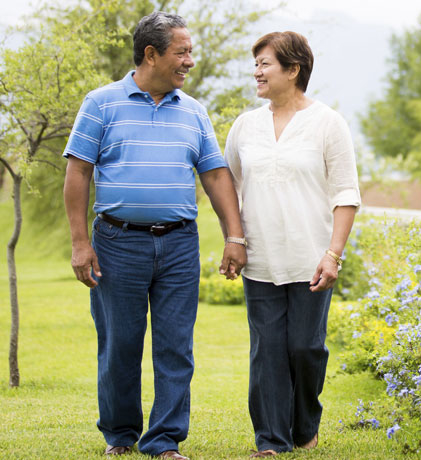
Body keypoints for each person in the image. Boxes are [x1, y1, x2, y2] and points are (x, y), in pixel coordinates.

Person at [63, 12, 247, 459]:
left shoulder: (194, 111)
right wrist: (79, 243)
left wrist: (235, 236)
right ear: (151, 54)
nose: (189, 61)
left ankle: (164, 441)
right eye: (181, 52)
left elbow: (216, 176)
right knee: (120, 345)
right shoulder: (101, 102)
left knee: (175, 347)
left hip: (180, 244)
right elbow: (78, 172)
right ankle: (121, 436)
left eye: (190, 52)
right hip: (117, 243)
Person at [224, 31, 361, 457]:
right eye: (256, 64)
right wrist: (234, 238)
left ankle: (304, 426)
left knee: (305, 347)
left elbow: (346, 194)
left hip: (312, 259)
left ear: (294, 69)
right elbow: (227, 185)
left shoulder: (328, 123)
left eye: (265, 63)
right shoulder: (246, 125)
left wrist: (333, 253)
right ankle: (270, 441)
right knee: (267, 353)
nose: (256, 72)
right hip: (260, 258)